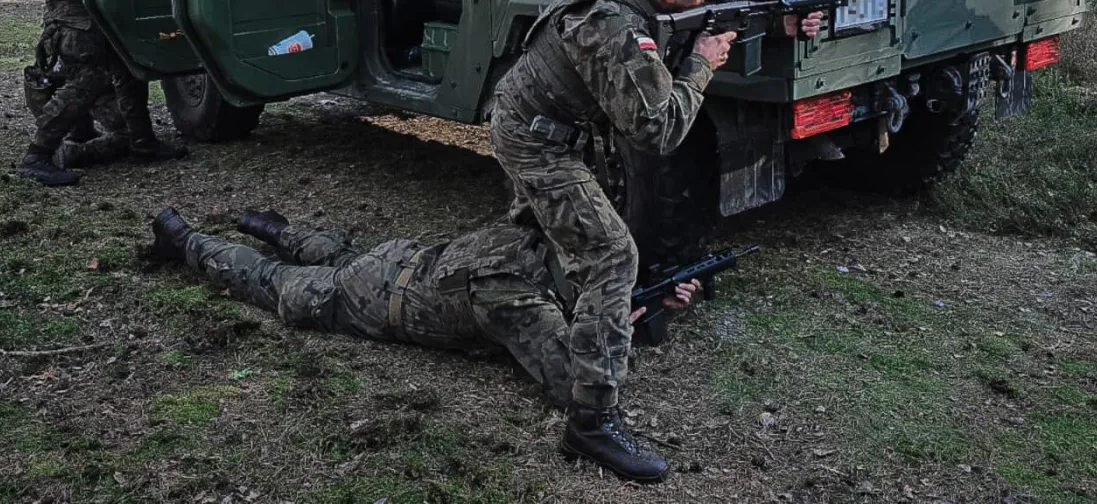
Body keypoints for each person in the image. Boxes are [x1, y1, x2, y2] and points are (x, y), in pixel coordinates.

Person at [488, 0, 825, 480]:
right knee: (611, 255)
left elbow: (712, 14)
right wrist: (702, 65)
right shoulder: (610, 24)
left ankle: (545, 310)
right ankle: (591, 423)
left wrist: (781, 24)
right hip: (535, 139)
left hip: (566, 127)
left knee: (565, 239)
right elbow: (658, 131)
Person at [146, 207, 699, 426]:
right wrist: (618, 323)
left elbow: (576, 298)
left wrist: (642, 303)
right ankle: (186, 240)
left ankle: (271, 227)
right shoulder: (518, 299)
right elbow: (576, 384)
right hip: (376, 298)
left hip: (402, 258)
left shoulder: (542, 237)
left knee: (340, 256)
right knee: (276, 284)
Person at [17, 0, 185, 186]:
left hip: (103, 10)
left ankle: (143, 141)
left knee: (131, 68)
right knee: (88, 79)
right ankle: (37, 155)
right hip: (76, 15)